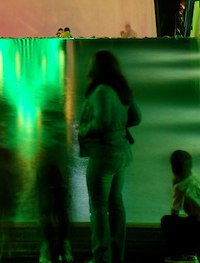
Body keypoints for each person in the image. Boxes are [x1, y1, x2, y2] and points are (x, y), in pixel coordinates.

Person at [79, 50, 141, 263]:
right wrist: (120, 127)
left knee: (97, 207)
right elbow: (136, 118)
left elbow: (102, 122)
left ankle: (101, 257)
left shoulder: (103, 91)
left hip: (104, 155)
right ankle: (118, 254)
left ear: (97, 68)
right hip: (122, 153)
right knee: (116, 203)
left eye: (90, 63)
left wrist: (84, 129)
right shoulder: (121, 89)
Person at [161, 150, 200, 263]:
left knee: (167, 221)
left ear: (173, 169)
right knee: (191, 220)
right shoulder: (194, 176)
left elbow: (174, 212)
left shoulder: (180, 186)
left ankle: (185, 254)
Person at [37, 144, 71, 263]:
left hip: (49, 183)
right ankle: (62, 249)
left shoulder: (43, 170)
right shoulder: (59, 183)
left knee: (48, 214)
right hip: (55, 184)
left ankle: (50, 247)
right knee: (59, 213)